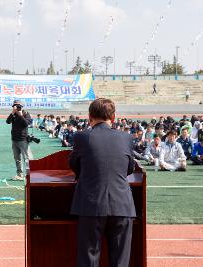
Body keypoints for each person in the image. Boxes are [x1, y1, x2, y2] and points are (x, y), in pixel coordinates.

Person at [69, 98, 136, 267]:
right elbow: (129, 168)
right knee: (120, 262)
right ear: (113, 118)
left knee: (89, 259)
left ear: (90, 116)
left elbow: (74, 165)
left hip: (91, 205)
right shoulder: (126, 138)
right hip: (121, 205)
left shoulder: (81, 137)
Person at [6, 100, 32, 181]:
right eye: (15, 106)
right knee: (17, 158)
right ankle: (20, 174)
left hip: (23, 140)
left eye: (18, 106)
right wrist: (12, 113)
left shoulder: (26, 114)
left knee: (27, 158)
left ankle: (30, 175)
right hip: (14, 140)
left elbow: (26, 124)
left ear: (22, 106)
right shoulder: (13, 115)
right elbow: (7, 121)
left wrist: (21, 115)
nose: (17, 107)